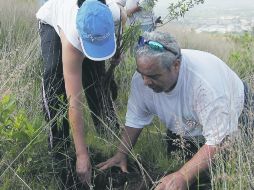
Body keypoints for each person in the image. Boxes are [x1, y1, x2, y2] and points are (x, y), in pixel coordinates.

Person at [97, 31, 252, 189]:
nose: (145, 82)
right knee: (175, 169)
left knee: (229, 173)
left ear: (176, 65)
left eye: (153, 76)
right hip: (187, 122)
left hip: (236, 114)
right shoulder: (142, 79)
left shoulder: (206, 86)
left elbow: (218, 140)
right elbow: (136, 118)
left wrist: (183, 176)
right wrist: (121, 153)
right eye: (141, 73)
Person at [36, 0, 126, 188]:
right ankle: (60, 150)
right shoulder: (72, 37)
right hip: (53, 23)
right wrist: (81, 154)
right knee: (54, 79)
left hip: (91, 28)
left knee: (96, 80)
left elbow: (122, 20)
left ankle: (108, 137)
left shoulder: (113, 14)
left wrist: (116, 50)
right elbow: (74, 101)